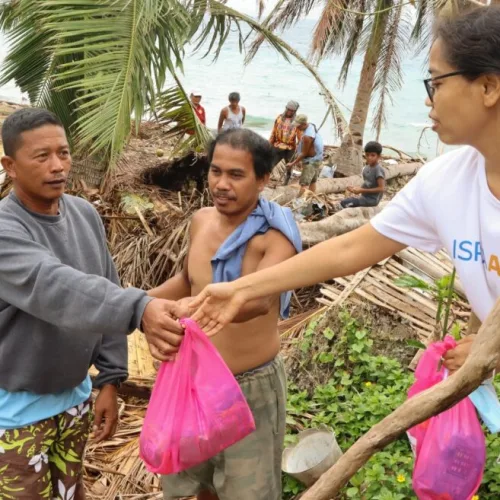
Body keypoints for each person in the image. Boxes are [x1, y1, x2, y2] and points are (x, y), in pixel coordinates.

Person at [190, 6, 500, 380]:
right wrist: (240, 289)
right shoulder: (445, 182)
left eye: (436, 83)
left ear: (488, 87)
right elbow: (351, 248)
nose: (428, 100)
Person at [0, 108, 184, 498]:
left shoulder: (83, 214)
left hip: (74, 399)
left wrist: (111, 378)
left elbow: (105, 286)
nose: (57, 166)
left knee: (72, 493)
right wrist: (141, 308)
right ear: (10, 166)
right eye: (42, 156)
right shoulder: (5, 231)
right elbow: (54, 286)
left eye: (63, 153)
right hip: (12, 413)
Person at [148, 128, 301, 500]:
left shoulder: (274, 236)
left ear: (263, 179)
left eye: (236, 175)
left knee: (247, 492)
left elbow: (259, 301)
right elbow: (189, 279)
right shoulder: (201, 220)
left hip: (247, 388)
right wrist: (136, 305)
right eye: (216, 172)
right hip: (191, 379)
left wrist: (190, 310)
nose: (221, 184)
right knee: (192, 484)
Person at [285, 114, 324, 195]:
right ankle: (310, 199)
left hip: (311, 162)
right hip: (317, 158)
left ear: (304, 124)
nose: (297, 127)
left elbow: (304, 153)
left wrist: (292, 163)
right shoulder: (311, 126)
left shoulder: (307, 136)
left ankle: (300, 203)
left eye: (298, 126)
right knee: (313, 181)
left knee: (304, 184)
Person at [340, 141, 386, 209]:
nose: (369, 157)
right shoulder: (366, 168)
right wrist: (355, 188)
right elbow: (367, 184)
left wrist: (361, 190)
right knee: (344, 202)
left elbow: (381, 188)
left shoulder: (378, 170)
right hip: (364, 197)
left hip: (371, 200)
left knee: (345, 203)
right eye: (367, 155)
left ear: (379, 156)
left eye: (373, 155)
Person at [269, 100, 300, 171]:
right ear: (286, 108)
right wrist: (269, 144)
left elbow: (300, 137)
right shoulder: (279, 118)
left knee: (289, 168)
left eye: (292, 110)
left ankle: (287, 181)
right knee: (270, 165)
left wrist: (298, 150)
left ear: (295, 111)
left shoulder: (297, 121)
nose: (289, 111)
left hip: (290, 148)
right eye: (288, 109)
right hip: (278, 146)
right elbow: (273, 132)